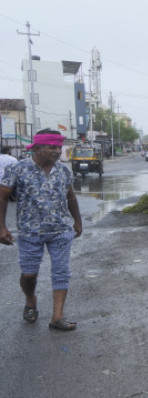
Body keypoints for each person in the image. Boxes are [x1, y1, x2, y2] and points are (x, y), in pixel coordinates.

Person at [0, 129, 83, 331]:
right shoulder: (18, 169)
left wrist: (77, 222)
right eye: (51, 147)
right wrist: (1, 226)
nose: (57, 151)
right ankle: (30, 299)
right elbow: (2, 197)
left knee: (61, 272)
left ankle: (57, 317)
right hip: (30, 232)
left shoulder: (63, 170)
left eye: (58, 147)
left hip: (60, 230)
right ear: (37, 147)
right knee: (29, 275)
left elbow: (70, 197)